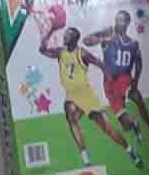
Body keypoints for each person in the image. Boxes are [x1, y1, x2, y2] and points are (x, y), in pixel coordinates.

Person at [44, 23, 139, 165]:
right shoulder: (60, 52)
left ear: (74, 39)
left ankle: (129, 150)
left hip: (86, 95)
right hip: (72, 95)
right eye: (65, 34)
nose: (64, 36)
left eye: (68, 35)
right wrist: (51, 30)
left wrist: (110, 78)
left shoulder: (82, 53)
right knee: (70, 115)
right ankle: (84, 154)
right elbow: (42, 49)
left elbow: (99, 63)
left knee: (107, 129)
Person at [85, 10, 149, 149]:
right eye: (116, 19)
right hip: (110, 84)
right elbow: (86, 41)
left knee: (137, 98)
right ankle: (134, 124)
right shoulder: (108, 35)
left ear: (127, 23)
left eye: (121, 20)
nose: (117, 23)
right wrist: (102, 36)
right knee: (126, 125)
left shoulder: (134, 44)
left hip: (124, 79)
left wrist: (135, 83)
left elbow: (139, 63)